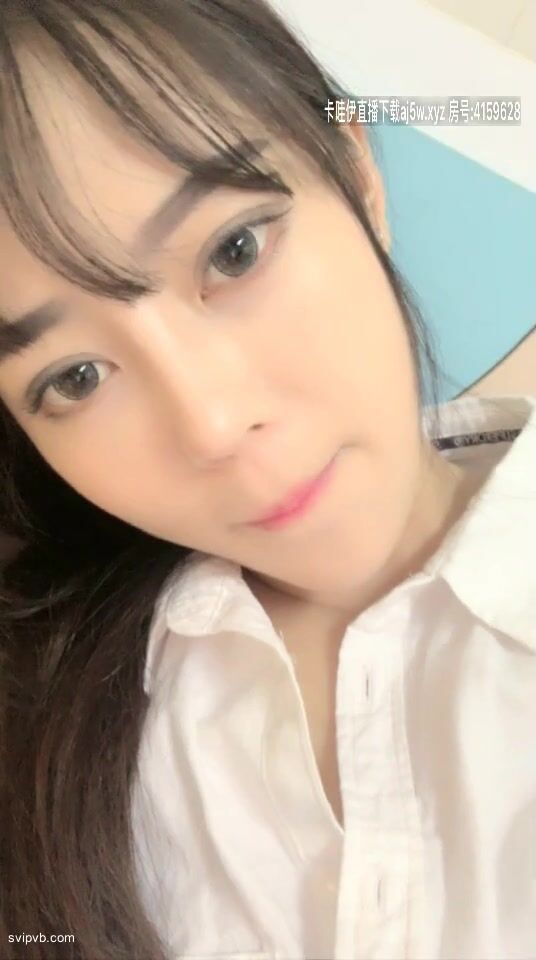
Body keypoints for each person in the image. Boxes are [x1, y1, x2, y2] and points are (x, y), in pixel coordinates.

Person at [0, 2, 534, 958]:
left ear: (358, 176)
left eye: (234, 251)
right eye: (74, 378)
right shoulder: (47, 723)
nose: (211, 425)